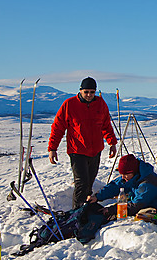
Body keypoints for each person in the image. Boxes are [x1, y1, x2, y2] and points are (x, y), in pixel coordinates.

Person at [48, 77, 117, 208]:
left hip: (95, 149)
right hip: (77, 150)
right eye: (86, 92)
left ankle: (87, 209)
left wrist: (112, 142)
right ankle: (76, 213)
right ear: (80, 90)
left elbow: (106, 125)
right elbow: (58, 127)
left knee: (89, 183)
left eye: (92, 92)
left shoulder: (101, 104)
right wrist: (52, 148)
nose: (89, 95)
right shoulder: (69, 104)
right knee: (81, 184)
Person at [87, 154, 157, 216]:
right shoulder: (133, 176)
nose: (123, 177)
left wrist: (111, 210)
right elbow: (116, 185)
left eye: (125, 174)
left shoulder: (148, 183)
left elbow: (136, 206)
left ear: (134, 171)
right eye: (121, 174)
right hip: (147, 202)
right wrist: (97, 196)